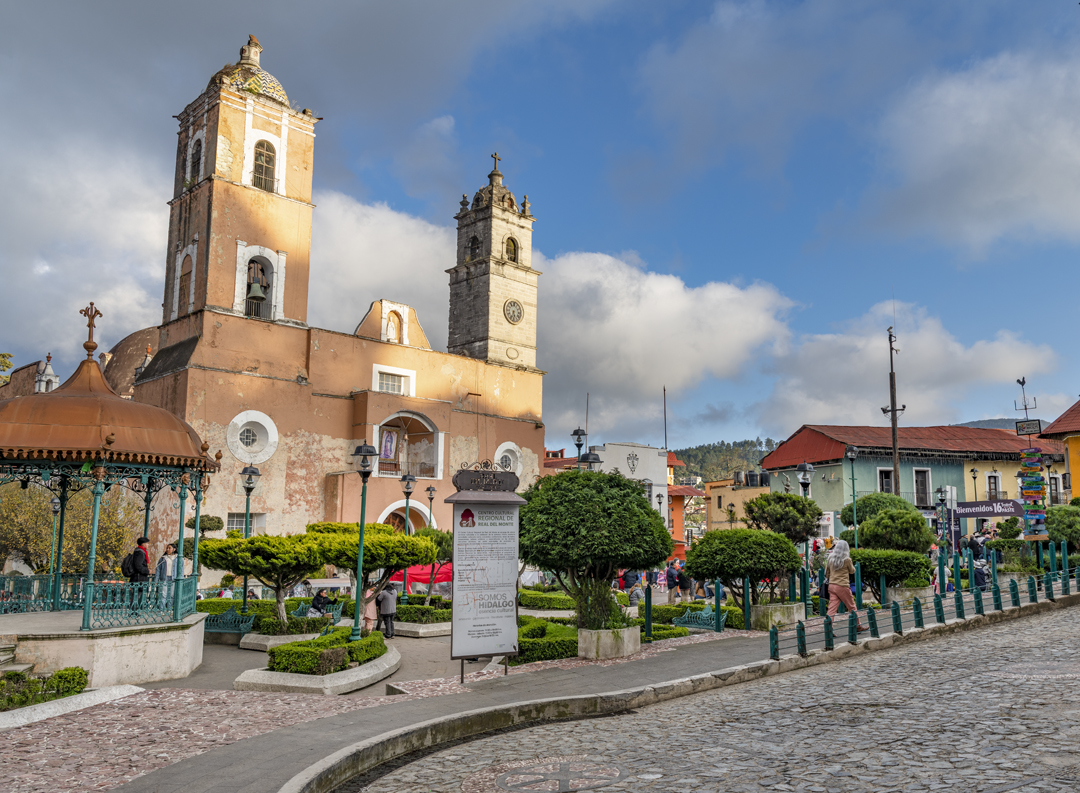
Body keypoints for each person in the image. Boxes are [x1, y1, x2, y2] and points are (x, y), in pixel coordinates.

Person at [825, 540, 867, 632]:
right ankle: (857, 626)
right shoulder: (847, 559)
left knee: (832, 608)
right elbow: (852, 571)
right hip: (842, 585)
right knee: (852, 606)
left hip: (832, 585)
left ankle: (829, 628)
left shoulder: (830, 558)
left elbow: (826, 573)